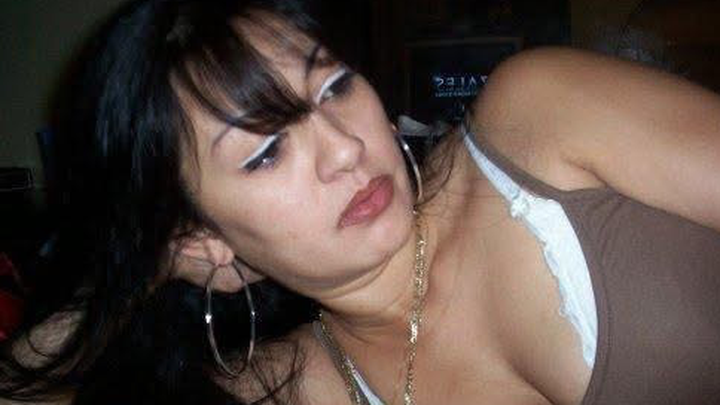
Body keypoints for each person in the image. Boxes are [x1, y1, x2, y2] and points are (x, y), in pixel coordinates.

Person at [1, 0, 719, 404]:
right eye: (266, 151)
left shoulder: (534, 118)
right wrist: (144, 264)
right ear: (202, 240)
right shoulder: (288, 384)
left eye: (335, 87)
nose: (345, 148)